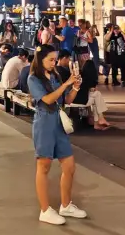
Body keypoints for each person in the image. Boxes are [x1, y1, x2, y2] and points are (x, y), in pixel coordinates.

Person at [28, 44, 87, 224]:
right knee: (44, 166)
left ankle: (66, 205)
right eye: (51, 60)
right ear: (40, 60)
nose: (54, 63)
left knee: (69, 166)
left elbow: (65, 100)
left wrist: (75, 87)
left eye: (55, 59)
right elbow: (47, 100)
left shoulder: (55, 76)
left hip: (59, 123)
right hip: (44, 124)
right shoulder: (33, 79)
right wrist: (67, 84)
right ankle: (45, 210)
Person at [73, 50, 110, 129]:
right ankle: (100, 119)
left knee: (97, 96)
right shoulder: (92, 79)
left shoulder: (80, 76)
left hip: (77, 98)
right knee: (97, 95)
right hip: (81, 100)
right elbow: (92, 90)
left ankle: (99, 120)